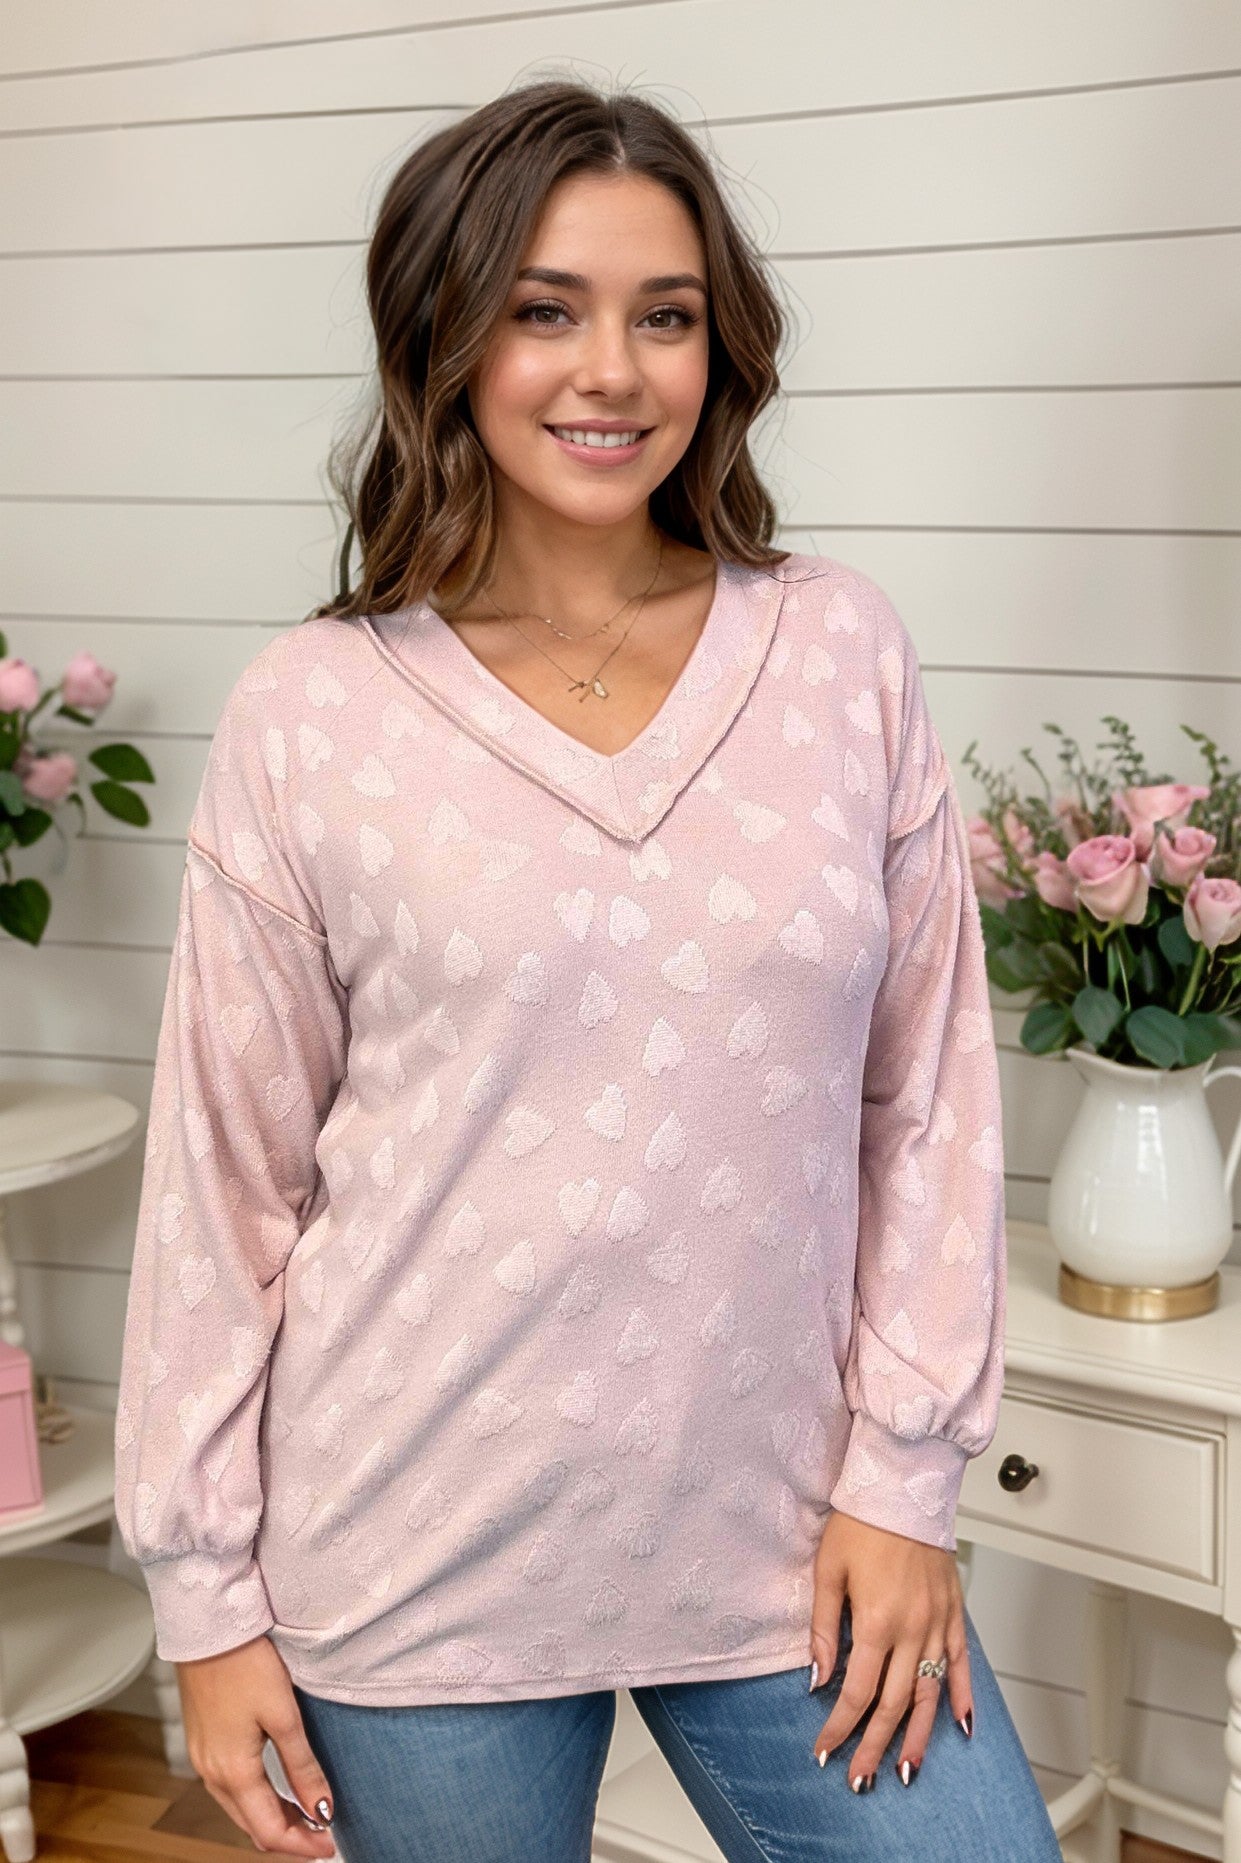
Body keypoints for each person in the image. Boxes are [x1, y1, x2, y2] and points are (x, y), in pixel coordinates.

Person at [113, 76, 1064, 1863]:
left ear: (721, 348)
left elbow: (927, 1100)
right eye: (543, 310)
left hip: (800, 1537)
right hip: (409, 1556)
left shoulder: (836, 651)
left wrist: (905, 1481)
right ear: (445, 336)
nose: (610, 372)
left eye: (665, 315)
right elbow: (225, 1186)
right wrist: (205, 1603)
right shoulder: (311, 714)